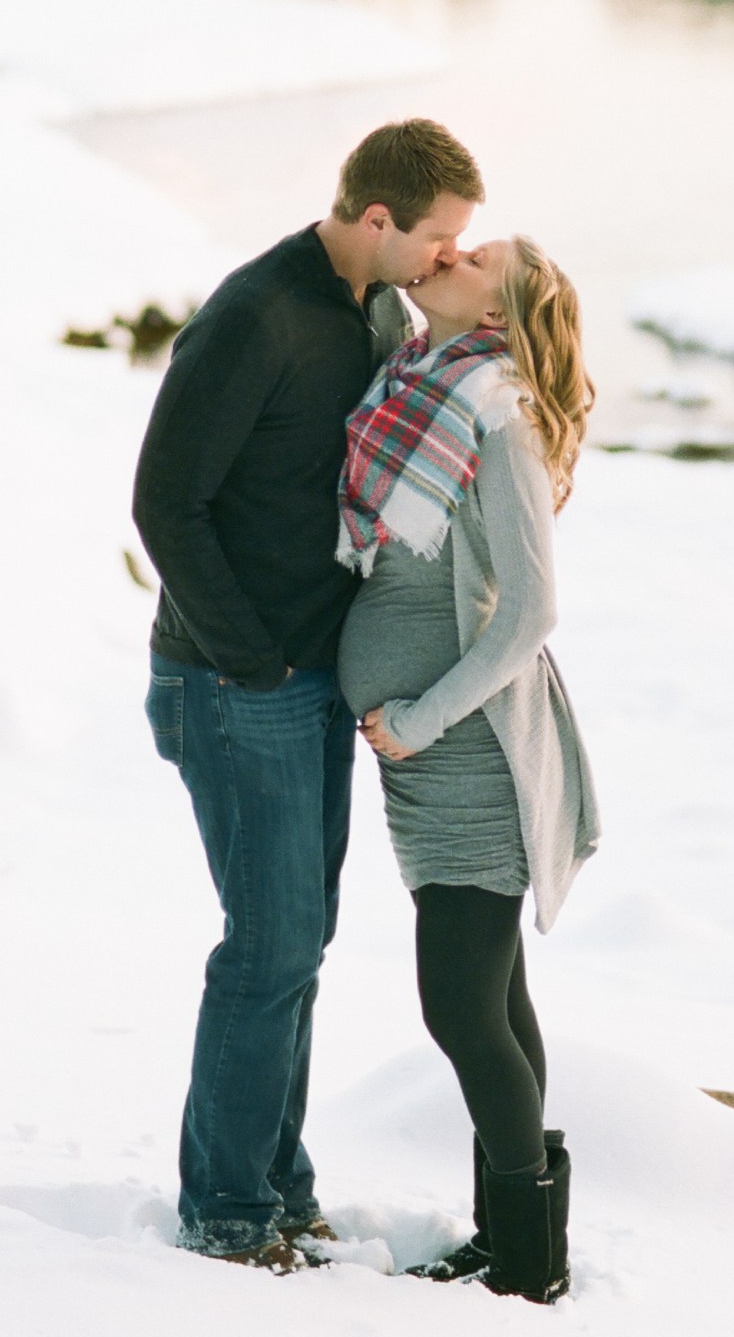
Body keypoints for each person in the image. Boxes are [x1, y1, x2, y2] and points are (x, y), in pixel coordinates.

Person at [133, 118, 484, 1272]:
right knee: (268, 944)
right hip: (237, 683)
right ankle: (228, 1208)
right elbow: (164, 503)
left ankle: (278, 1183)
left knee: (301, 940)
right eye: (438, 237)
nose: (445, 257)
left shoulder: (362, 311)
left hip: (304, 679)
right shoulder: (255, 317)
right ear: (377, 219)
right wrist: (253, 657)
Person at [336, 233, 600, 1306]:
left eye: (476, 254)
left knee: (460, 1005)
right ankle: (518, 1240)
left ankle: (525, 1256)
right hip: (430, 753)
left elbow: (531, 611)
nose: (451, 250)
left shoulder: (495, 411)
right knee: (498, 998)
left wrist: (422, 715)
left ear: (502, 308)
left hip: (471, 755)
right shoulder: (416, 372)